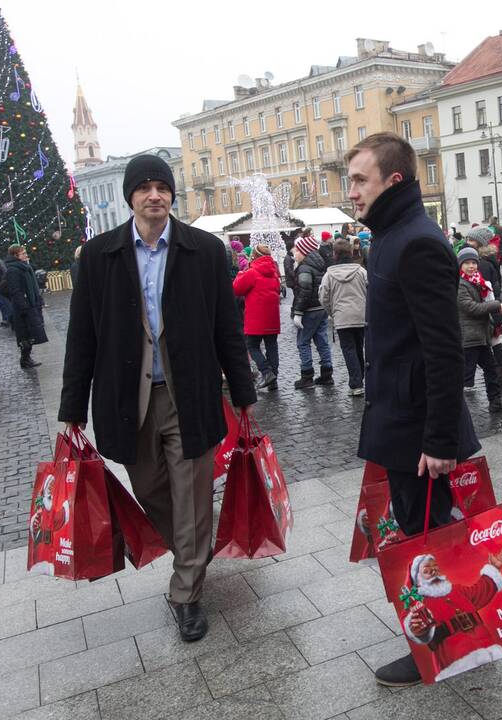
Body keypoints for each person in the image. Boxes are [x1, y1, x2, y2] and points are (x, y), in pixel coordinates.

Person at [60, 154, 255, 643]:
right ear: (131, 197)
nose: (154, 195)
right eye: (144, 187)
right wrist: (71, 409)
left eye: (162, 187)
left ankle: (186, 592)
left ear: (171, 194)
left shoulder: (205, 250)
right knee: (149, 488)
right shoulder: (99, 255)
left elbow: (226, 328)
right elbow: (82, 336)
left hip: (189, 394)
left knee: (191, 494)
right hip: (128, 398)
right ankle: (194, 550)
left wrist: (244, 391)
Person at [346, 133, 481, 686]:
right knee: (419, 527)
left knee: (427, 534)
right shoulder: (387, 235)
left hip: (417, 426)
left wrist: (439, 441)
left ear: (392, 181)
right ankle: (450, 634)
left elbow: (444, 350)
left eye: (359, 179)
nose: (351, 190)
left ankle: (441, 644)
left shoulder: (416, 241)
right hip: (397, 415)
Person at [402, 550, 502, 681]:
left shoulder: (456, 590)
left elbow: (479, 591)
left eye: (435, 567)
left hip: (487, 646)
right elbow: (412, 623)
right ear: (417, 579)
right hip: (454, 659)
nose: (434, 572)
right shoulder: (419, 604)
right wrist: (415, 627)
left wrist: (494, 568)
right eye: (427, 570)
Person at [456, 247, 502, 413]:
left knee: (491, 368)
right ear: (460, 266)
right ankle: (450, 406)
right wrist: (497, 305)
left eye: (473, 262)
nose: (471, 266)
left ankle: (495, 402)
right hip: (469, 337)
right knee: (465, 375)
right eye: (467, 263)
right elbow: (471, 308)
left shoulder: (476, 281)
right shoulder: (460, 284)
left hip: (480, 336)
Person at [318, 239, 368, 397]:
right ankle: (360, 377)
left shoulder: (329, 275)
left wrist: (332, 312)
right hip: (361, 315)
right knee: (359, 347)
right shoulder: (361, 271)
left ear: (335, 254)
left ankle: (356, 383)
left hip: (341, 317)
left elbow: (323, 297)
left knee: (348, 349)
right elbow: (370, 290)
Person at [233, 243, 282, 391]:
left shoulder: (252, 272)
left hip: (256, 318)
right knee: (272, 346)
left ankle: (267, 373)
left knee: (252, 346)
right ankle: (273, 379)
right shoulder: (274, 273)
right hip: (272, 316)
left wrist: (241, 273)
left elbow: (236, 288)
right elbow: (278, 290)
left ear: (254, 256)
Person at [290, 233, 334, 389]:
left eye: (296, 251)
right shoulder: (319, 264)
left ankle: (307, 376)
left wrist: (298, 313)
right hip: (321, 308)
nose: (294, 253)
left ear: (304, 252)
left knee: (303, 342)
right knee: (322, 341)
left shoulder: (304, 268)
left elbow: (304, 290)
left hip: (309, 310)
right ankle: (327, 374)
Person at [4, 244, 47, 368]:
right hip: (23, 307)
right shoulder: (13, 270)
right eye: (23, 253)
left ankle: (27, 358)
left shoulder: (25, 267)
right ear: (15, 255)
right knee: (25, 334)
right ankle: (25, 359)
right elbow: (15, 290)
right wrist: (23, 306)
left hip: (30, 304)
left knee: (31, 333)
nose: (26, 255)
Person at [475, 243, 502, 391]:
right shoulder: (491, 261)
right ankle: (501, 377)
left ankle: (497, 377)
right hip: (493, 307)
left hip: (486, 308)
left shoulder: (482, 264)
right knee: (496, 341)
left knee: (485, 343)